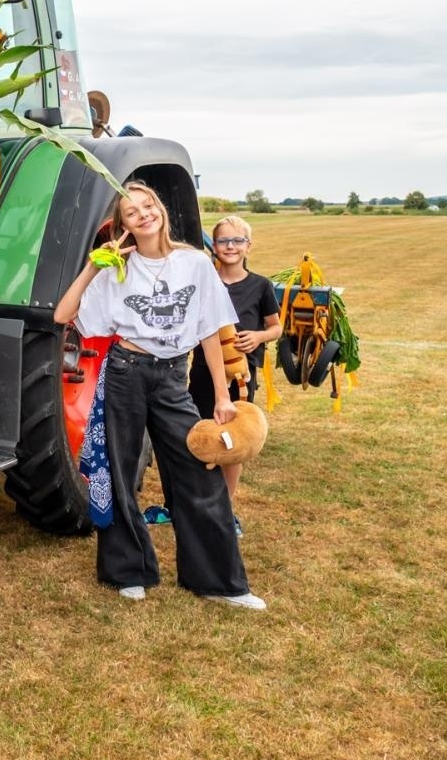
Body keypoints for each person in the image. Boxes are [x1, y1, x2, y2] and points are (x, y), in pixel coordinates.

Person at [55, 181, 266, 610]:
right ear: (124, 225)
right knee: (118, 470)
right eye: (132, 213)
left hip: (172, 376)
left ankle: (220, 582)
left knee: (198, 471)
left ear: (161, 210)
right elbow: (63, 315)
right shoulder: (116, 269)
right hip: (125, 374)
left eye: (148, 206)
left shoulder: (193, 263)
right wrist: (94, 267)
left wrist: (222, 398)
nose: (144, 215)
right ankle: (127, 571)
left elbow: (209, 328)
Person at [189, 215, 282, 534]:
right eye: (223, 241)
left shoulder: (260, 285)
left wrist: (257, 337)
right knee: (202, 435)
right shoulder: (205, 283)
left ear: (248, 246)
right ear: (213, 246)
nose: (230, 246)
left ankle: (226, 509)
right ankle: (198, 502)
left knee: (233, 442)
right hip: (203, 372)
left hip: (241, 377)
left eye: (237, 240)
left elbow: (276, 327)